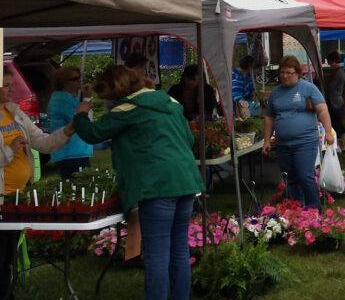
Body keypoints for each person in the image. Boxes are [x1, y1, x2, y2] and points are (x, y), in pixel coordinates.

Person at [73, 65, 203, 300]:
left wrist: (81, 114)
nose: (110, 102)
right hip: (186, 180)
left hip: (156, 186)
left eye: (110, 97)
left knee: (157, 254)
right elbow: (189, 137)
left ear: (117, 92)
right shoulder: (170, 102)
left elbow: (93, 134)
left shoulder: (127, 109)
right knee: (179, 251)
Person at [2, 66, 76, 298]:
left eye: (12, 85)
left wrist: (67, 131)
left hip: (17, 196)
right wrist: (10, 149)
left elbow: (43, 142)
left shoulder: (14, 112)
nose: (11, 90)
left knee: (8, 255)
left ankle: (7, 291)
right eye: (6, 86)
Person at [262, 56, 336, 208]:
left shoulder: (308, 88)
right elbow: (269, 118)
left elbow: (322, 110)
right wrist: (267, 140)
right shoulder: (276, 93)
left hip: (305, 142)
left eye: (289, 72)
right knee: (290, 178)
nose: (284, 76)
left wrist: (328, 132)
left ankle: (314, 209)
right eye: (282, 72)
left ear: (298, 73)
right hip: (283, 144)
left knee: (304, 175)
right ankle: (298, 209)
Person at [48, 66, 94, 178]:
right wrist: (87, 100)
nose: (79, 81)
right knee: (79, 187)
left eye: (79, 78)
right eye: (75, 79)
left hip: (72, 152)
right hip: (71, 152)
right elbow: (83, 121)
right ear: (63, 82)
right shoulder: (62, 100)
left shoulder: (67, 98)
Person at [322, 51, 345, 152]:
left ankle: (339, 145)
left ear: (333, 61)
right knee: (338, 124)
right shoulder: (339, 71)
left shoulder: (338, 72)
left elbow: (330, 87)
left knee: (336, 124)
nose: (329, 64)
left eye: (329, 62)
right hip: (336, 100)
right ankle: (342, 145)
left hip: (335, 102)